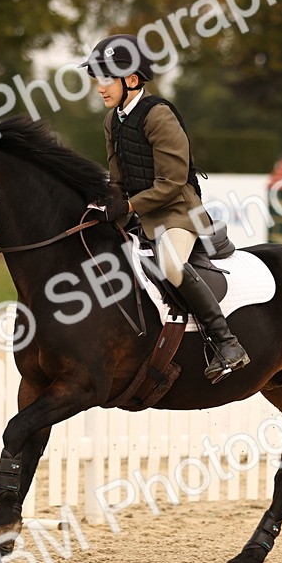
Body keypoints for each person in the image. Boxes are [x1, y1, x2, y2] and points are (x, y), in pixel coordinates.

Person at [80, 34, 250, 383]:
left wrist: (127, 204)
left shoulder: (158, 115)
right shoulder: (113, 121)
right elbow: (117, 179)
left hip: (178, 213)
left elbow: (172, 183)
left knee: (172, 265)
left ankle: (226, 342)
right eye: (97, 78)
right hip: (141, 214)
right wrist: (104, 205)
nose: (100, 87)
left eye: (106, 78)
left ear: (131, 79)